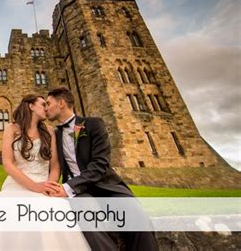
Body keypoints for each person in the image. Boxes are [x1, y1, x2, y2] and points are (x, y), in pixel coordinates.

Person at [0, 94, 91, 250]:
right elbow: (8, 164)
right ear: (31, 106)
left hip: (45, 187)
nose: (47, 108)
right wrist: (34, 186)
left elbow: (55, 165)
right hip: (17, 186)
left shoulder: (50, 132)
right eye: (43, 104)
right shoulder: (11, 128)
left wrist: (50, 186)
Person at [45, 87, 159, 251]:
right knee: (89, 219)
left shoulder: (94, 125)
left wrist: (68, 187)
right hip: (79, 192)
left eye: (48, 103)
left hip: (106, 186)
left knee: (137, 216)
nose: (46, 108)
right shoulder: (55, 134)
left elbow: (100, 164)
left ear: (61, 103)